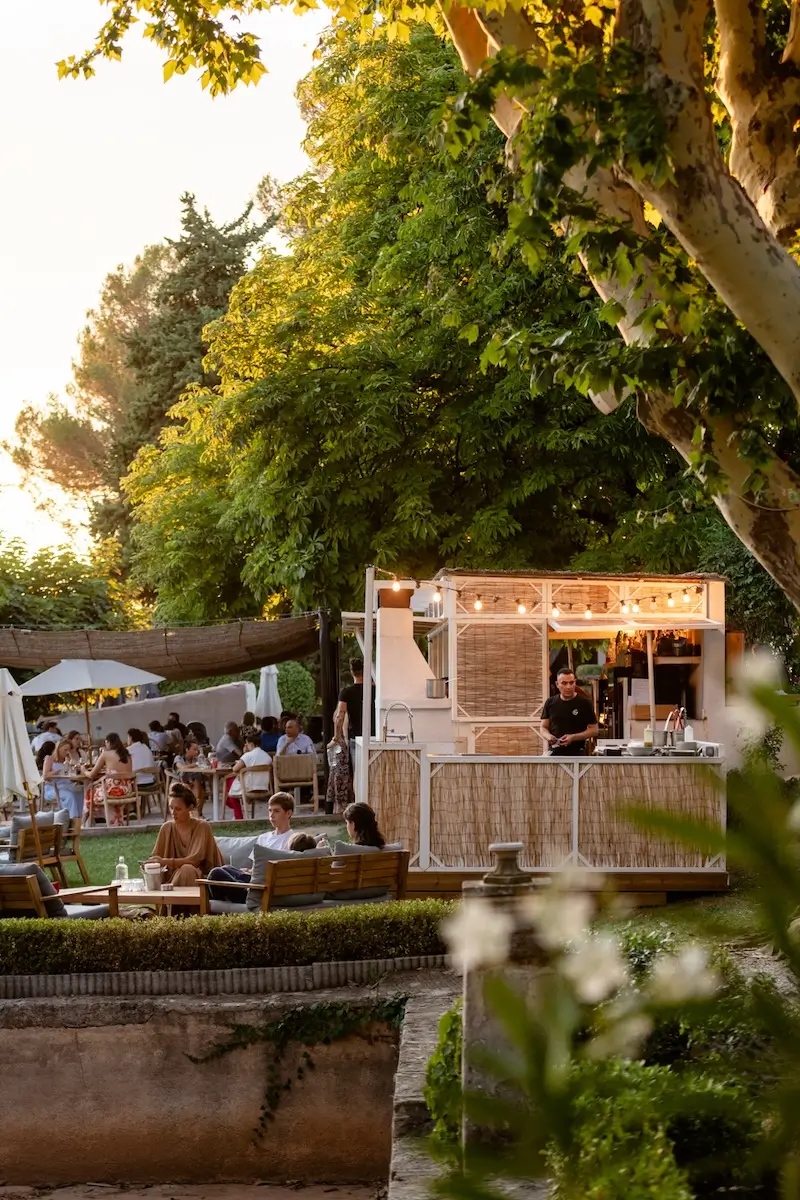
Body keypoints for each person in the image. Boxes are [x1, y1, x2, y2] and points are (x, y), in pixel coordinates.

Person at [206, 791, 296, 900]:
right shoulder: (263, 838)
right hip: (252, 880)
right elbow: (255, 867)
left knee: (216, 874)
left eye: (276, 811)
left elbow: (285, 871)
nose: (271, 815)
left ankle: (232, 899)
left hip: (264, 887)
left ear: (288, 813)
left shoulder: (292, 839)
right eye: (270, 810)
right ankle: (225, 900)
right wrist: (249, 871)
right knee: (226, 868)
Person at [149, 782, 223, 886]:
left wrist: (164, 862)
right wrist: (151, 864)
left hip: (200, 879)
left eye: (178, 809)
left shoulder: (202, 827)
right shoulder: (166, 828)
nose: (173, 813)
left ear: (190, 807)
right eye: (171, 808)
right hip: (170, 879)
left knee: (187, 869)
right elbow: (157, 859)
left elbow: (194, 861)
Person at [540, 667, 599, 756]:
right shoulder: (550, 702)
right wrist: (548, 736)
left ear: (575, 682)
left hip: (578, 753)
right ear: (557, 684)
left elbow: (594, 730)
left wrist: (573, 737)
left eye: (571, 683)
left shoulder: (585, 703)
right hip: (554, 752)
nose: (568, 687)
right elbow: (543, 727)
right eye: (564, 683)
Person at [85, 732, 135, 825]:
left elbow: (91, 775)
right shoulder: (127, 754)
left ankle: (84, 822)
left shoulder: (105, 754)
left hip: (112, 790)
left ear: (108, 742)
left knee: (89, 791)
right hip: (127, 789)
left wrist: (83, 770)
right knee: (96, 789)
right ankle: (115, 820)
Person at [226, 734, 272, 820]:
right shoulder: (267, 756)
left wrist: (244, 753)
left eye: (246, 744)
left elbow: (235, 769)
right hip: (263, 786)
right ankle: (238, 814)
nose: (246, 746)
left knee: (229, 782)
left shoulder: (248, 756)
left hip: (249, 787)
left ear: (251, 744)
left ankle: (238, 816)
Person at [42, 738, 85, 819]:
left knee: (81, 792)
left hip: (67, 786)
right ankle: (72, 818)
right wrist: (58, 770)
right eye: (65, 750)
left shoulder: (66, 760)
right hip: (52, 788)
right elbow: (45, 776)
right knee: (69, 796)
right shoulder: (50, 759)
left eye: (69, 750)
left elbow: (70, 775)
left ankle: (80, 818)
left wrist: (71, 763)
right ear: (58, 749)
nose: (67, 752)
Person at [175, 739, 208, 815]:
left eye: (197, 750)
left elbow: (203, 768)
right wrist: (197, 764)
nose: (197, 752)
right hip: (180, 781)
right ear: (187, 750)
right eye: (194, 749)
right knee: (199, 786)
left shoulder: (196, 759)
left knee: (198, 781)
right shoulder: (179, 758)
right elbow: (182, 768)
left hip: (193, 782)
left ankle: (196, 813)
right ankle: (196, 813)